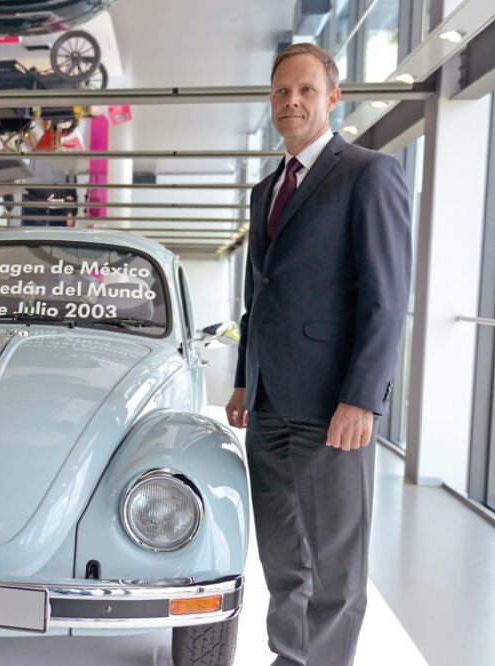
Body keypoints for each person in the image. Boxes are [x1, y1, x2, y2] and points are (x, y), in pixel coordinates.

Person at [224, 43, 411, 666]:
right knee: (280, 553)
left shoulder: (368, 172)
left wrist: (363, 398)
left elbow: (386, 299)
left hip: (334, 403)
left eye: (305, 90)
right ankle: (289, 655)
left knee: (336, 564)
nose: (291, 102)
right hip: (270, 400)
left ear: (333, 99)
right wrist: (245, 378)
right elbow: (260, 292)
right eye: (281, 92)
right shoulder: (264, 191)